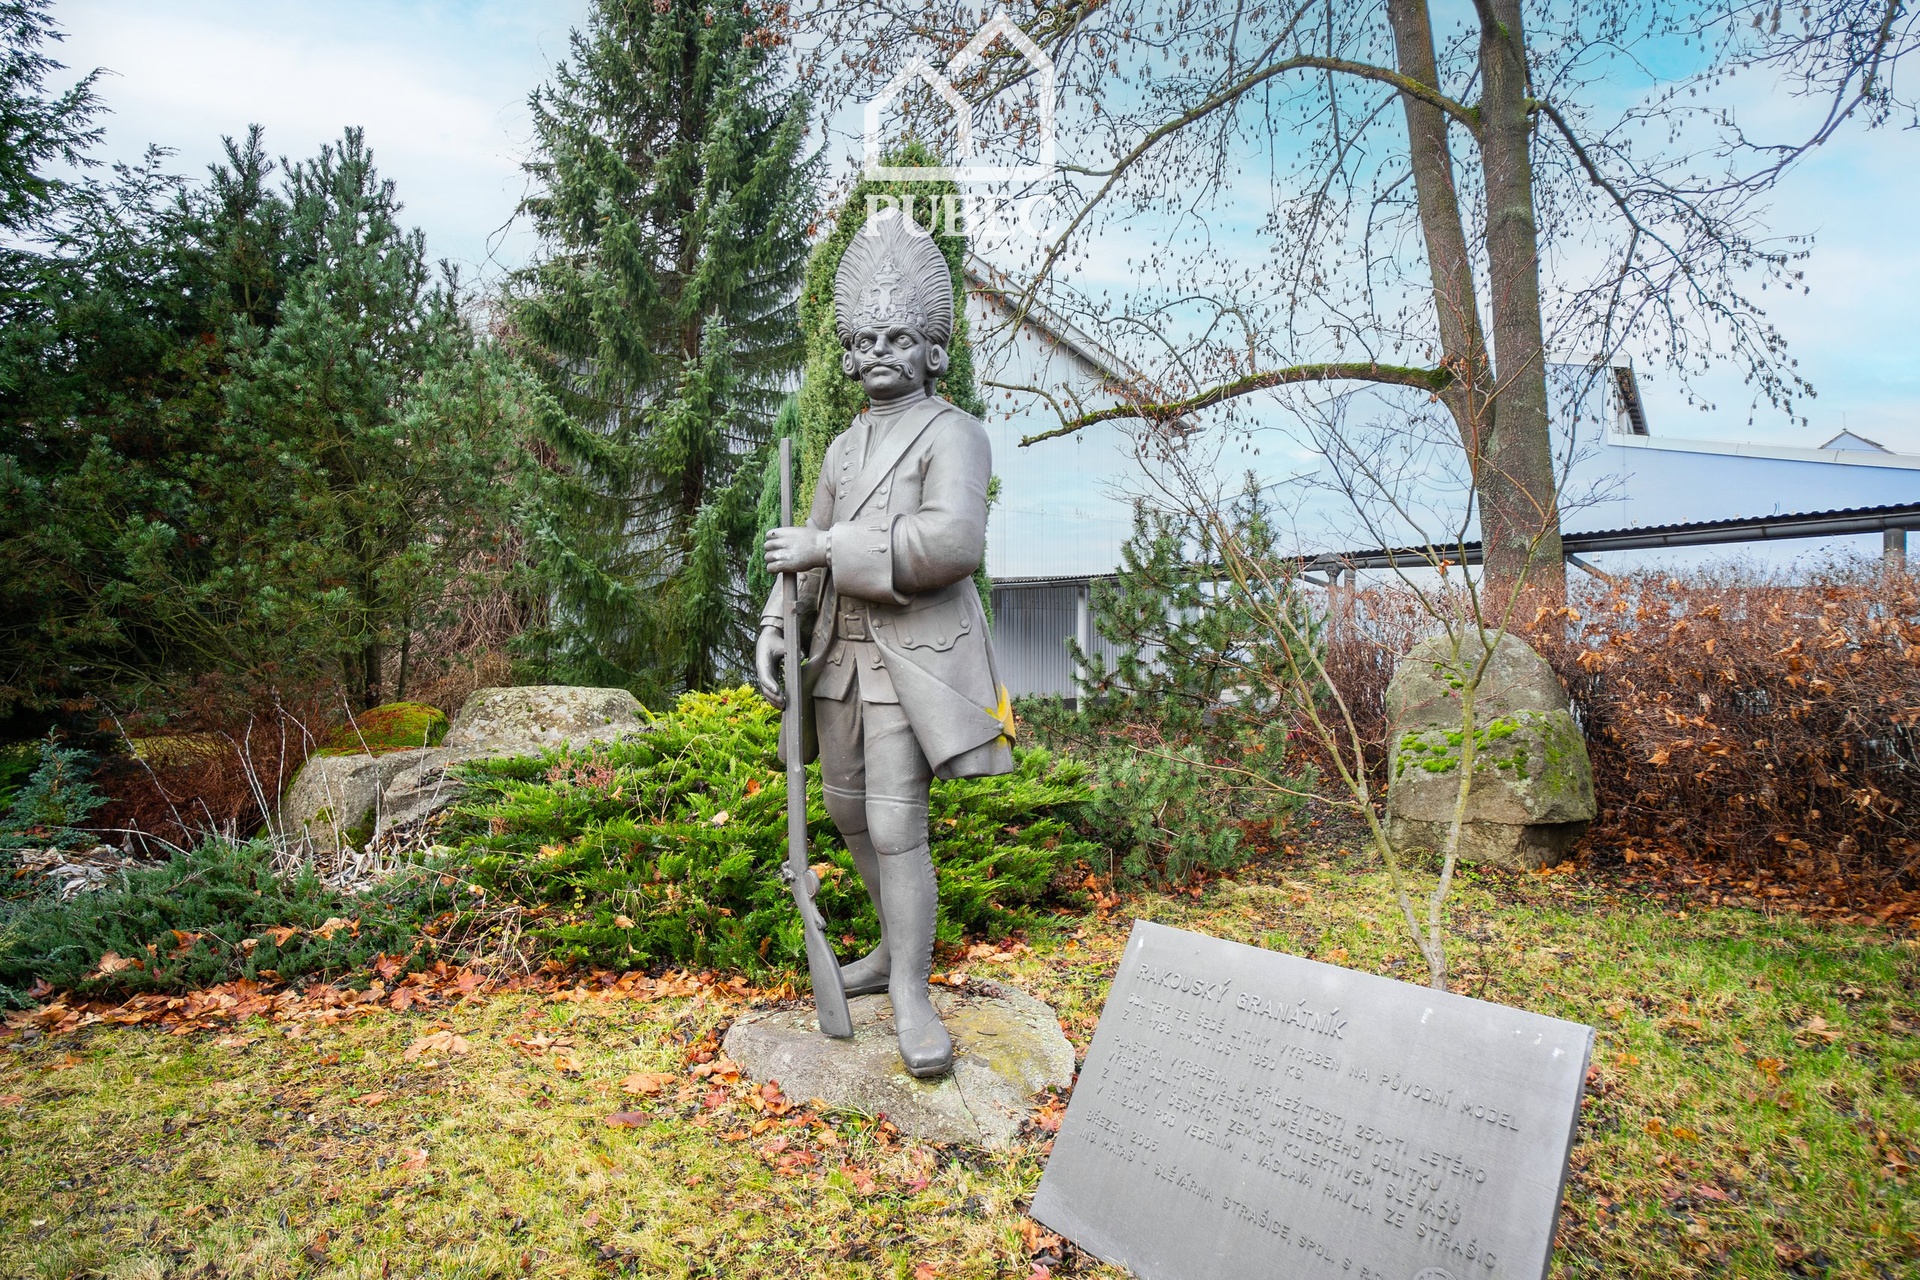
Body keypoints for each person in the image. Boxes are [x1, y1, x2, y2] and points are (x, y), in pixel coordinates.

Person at [755, 209, 1014, 1077]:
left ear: (934, 351)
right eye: (864, 340)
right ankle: (887, 950)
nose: (877, 352)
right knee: (847, 813)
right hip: (839, 657)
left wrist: (828, 546)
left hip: (912, 661)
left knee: (899, 825)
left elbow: (953, 542)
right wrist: (775, 624)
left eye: (897, 338)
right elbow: (805, 556)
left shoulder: (955, 434)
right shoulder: (840, 449)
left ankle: (911, 988)